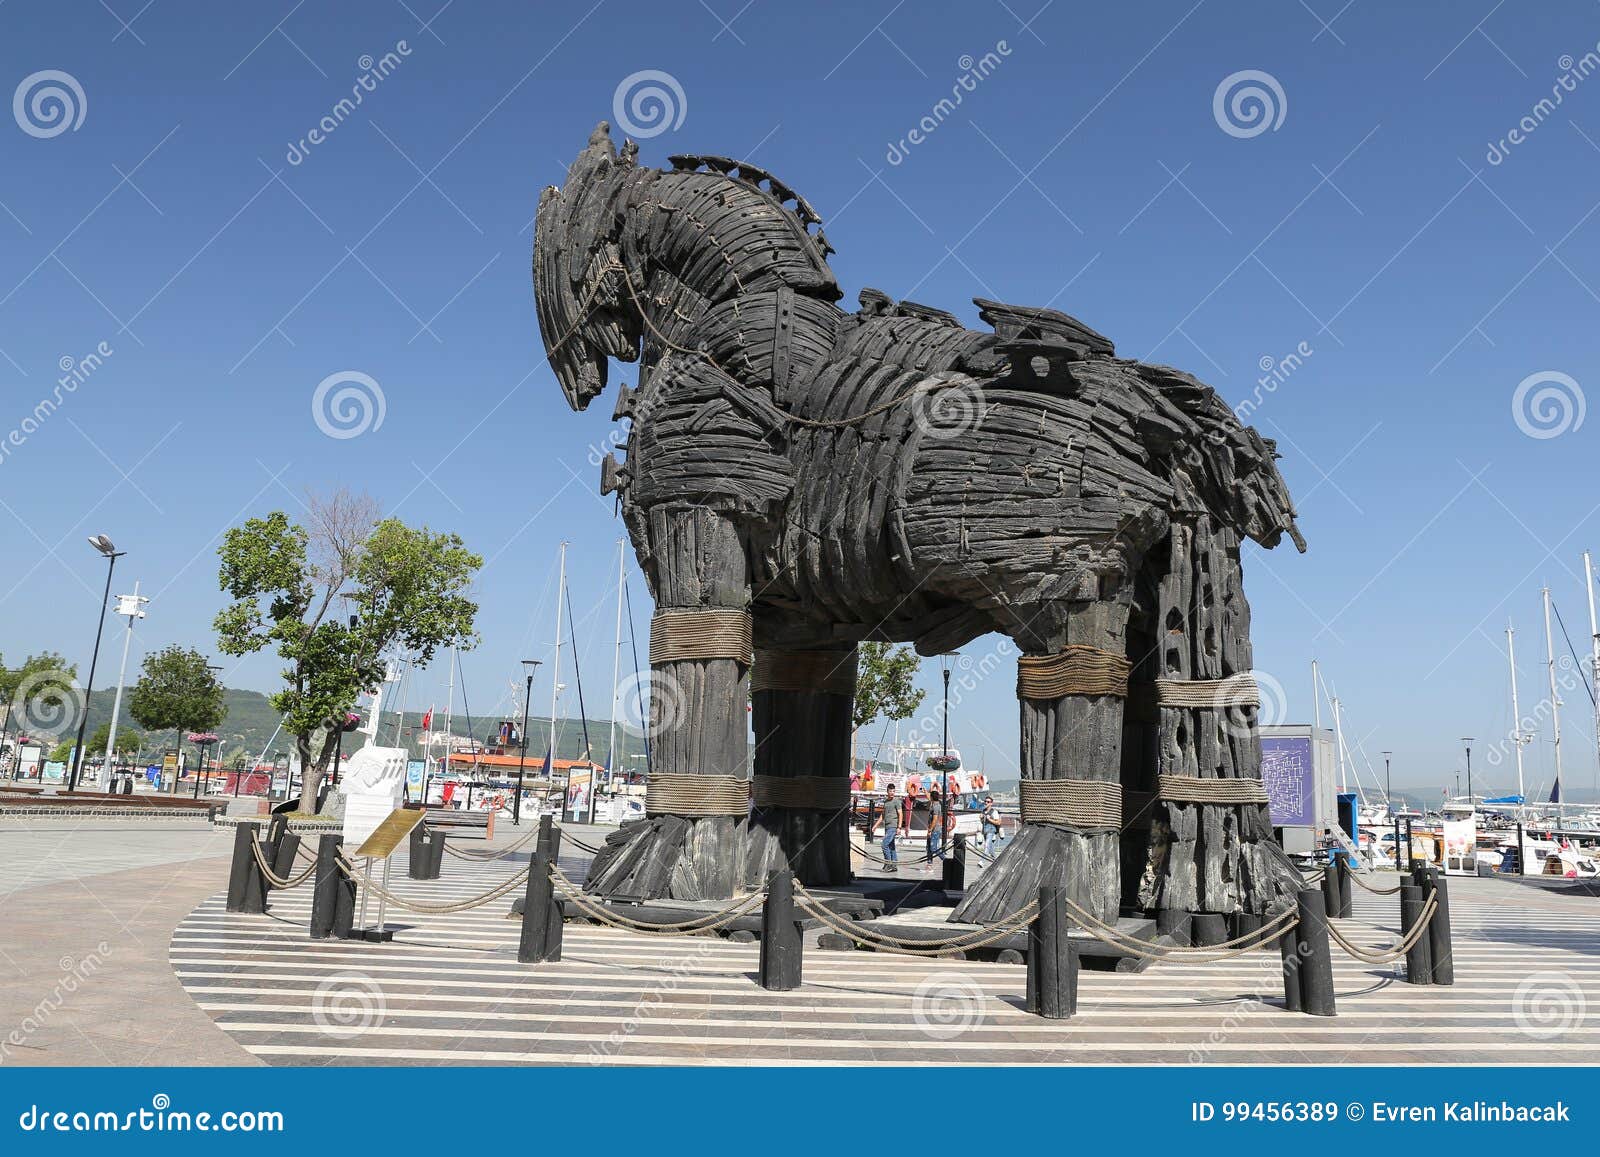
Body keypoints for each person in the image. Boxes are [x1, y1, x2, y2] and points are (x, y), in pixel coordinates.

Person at [880, 783, 900, 872]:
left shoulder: (896, 801)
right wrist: (875, 826)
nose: (892, 793)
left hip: (893, 826)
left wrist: (899, 827)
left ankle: (888, 864)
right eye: (890, 791)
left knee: (884, 844)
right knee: (891, 846)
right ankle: (894, 865)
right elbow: (883, 815)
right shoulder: (886, 802)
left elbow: (901, 814)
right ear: (887, 791)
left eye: (893, 791)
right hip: (887, 826)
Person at [926, 788, 945, 860]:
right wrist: (925, 791)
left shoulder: (935, 806)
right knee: (929, 847)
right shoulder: (934, 803)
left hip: (935, 829)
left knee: (934, 848)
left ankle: (944, 859)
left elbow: (935, 819)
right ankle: (929, 863)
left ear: (932, 797)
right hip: (932, 829)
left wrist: (930, 830)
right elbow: (929, 798)